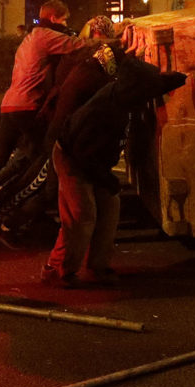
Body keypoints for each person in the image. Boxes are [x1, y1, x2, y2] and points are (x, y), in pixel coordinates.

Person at [42, 56, 186, 288]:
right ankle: (58, 270)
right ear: (134, 88)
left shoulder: (129, 93)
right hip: (72, 157)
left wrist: (184, 78)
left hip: (93, 159)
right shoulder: (103, 111)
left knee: (110, 209)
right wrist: (107, 180)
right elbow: (84, 155)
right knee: (81, 214)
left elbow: (158, 84)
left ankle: (97, 267)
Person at [0, 0, 87, 224]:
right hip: (27, 106)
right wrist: (112, 43)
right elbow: (77, 45)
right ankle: (16, 205)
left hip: (9, 104)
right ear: (54, 18)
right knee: (42, 155)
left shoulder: (28, 39)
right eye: (64, 19)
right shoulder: (45, 36)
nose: (66, 23)